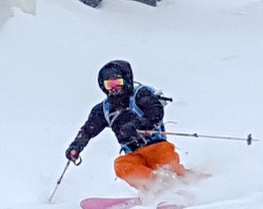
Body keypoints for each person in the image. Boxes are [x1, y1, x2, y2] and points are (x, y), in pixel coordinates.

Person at [65, 60, 187, 191]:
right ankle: (155, 185)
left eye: (118, 83)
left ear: (126, 81)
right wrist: (76, 146)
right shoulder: (104, 109)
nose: (114, 88)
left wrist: (137, 125)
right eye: (109, 84)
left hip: (157, 148)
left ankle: (183, 181)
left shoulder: (140, 95)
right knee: (121, 165)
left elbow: (155, 112)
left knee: (168, 165)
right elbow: (88, 130)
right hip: (134, 154)